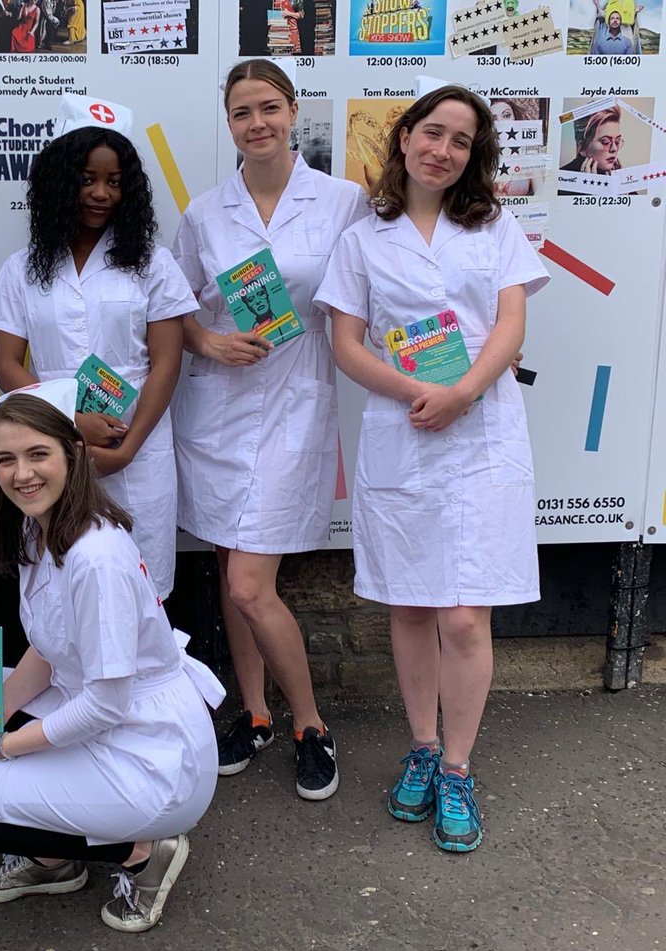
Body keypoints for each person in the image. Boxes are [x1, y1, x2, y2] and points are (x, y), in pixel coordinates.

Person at [314, 83, 549, 853]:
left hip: (482, 433)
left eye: (460, 141)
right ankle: (420, 747)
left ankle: (456, 765)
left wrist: (465, 391)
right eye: (431, 133)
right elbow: (348, 345)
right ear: (405, 136)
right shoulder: (362, 238)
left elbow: (511, 322)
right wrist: (424, 392)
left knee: (464, 611)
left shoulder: (495, 226)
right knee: (410, 605)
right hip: (403, 429)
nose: (441, 151)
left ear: (473, 155)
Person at [0, 381, 223, 933]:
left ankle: (139, 853)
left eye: (38, 454)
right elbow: (47, 646)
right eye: (6, 459)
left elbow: (105, 706)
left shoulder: (95, 559)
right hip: (114, 722)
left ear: (74, 454)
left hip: (148, 754)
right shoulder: (42, 532)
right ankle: (53, 860)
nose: (22, 474)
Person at [172, 59, 367, 796]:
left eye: (268, 108)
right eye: (241, 112)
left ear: (293, 112)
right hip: (217, 408)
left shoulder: (342, 201)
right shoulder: (205, 211)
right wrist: (209, 341)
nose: (256, 124)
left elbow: (374, 295)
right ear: (228, 122)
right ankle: (252, 713)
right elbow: (175, 308)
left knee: (253, 583)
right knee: (231, 568)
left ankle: (310, 723)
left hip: (296, 405)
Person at [0, 96, 196, 600]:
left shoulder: (152, 262)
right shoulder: (22, 268)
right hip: (49, 444)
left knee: (142, 586)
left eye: (115, 181)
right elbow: (6, 365)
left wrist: (129, 448)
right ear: (61, 181)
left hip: (136, 444)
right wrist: (69, 421)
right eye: (86, 179)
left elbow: (167, 363)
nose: (101, 193)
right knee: (60, 583)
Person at [561, 105, 624, 177]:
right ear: (582, 147)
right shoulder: (561, 177)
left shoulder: (613, 174)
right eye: (605, 142)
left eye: (617, 141)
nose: (614, 149)